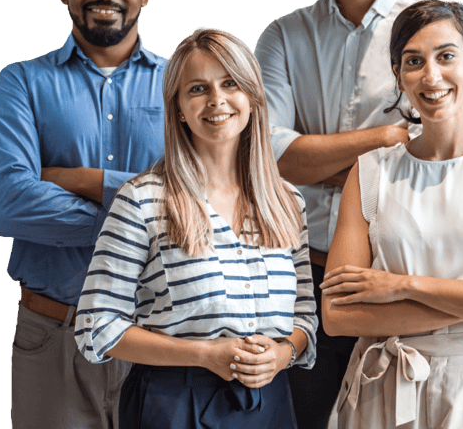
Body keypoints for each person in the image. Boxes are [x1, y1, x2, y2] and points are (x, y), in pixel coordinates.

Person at [321, 0, 463, 428]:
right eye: (414, 62)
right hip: (382, 387)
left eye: (446, 56)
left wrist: (402, 285)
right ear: (399, 76)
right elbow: (338, 316)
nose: (431, 76)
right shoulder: (370, 171)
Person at [75, 28, 317, 429]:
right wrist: (204, 354)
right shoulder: (143, 200)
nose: (216, 99)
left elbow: (305, 316)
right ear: (179, 109)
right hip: (174, 402)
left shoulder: (287, 201)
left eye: (230, 83)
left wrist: (282, 354)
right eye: (198, 89)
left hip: (271, 402)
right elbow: (96, 326)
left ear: (253, 97)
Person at [0, 0, 165, 429]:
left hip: (162, 337)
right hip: (53, 335)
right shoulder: (20, 84)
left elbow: (208, 199)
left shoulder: (184, 86)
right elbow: (6, 203)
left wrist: (82, 180)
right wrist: (147, 221)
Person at [254, 0, 419, 428]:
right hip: (300, 280)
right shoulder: (282, 37)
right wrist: (383, 140)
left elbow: (429, 159)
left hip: (395, 280)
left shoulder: (426, 32)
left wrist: (316, 159)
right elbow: (273, 156)